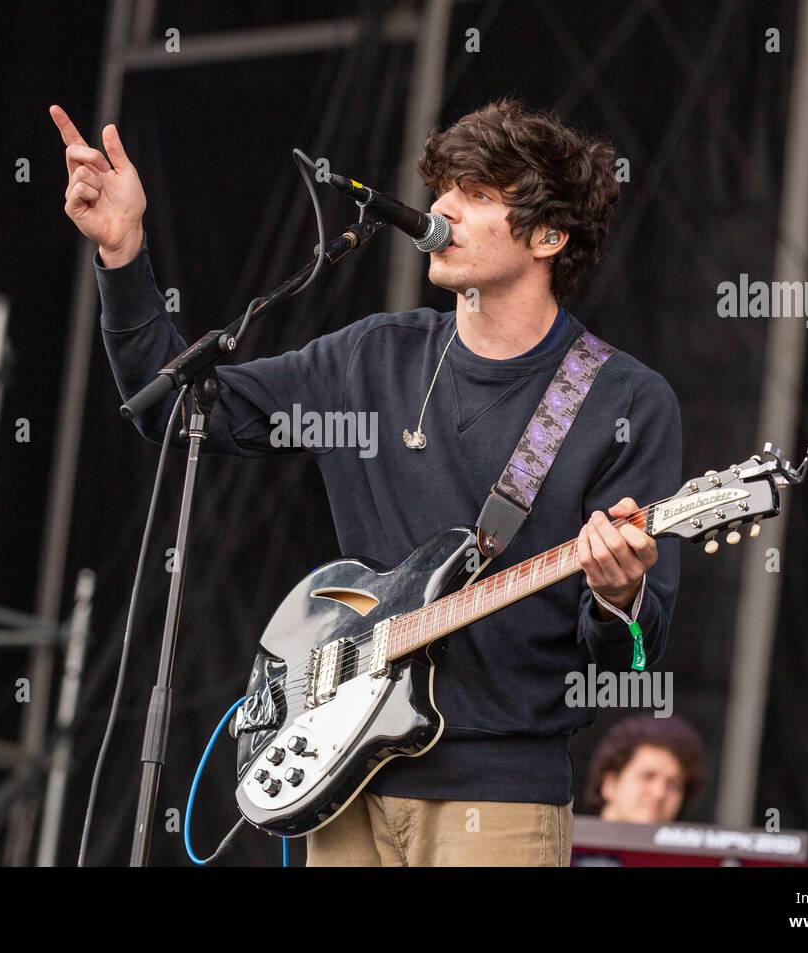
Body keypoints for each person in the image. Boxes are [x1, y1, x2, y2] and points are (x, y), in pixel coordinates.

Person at [53, 97, 683, 866]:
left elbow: (629, 656)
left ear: (550, 236)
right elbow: (181, 408)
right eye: (443, 187)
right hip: (344, 775)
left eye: (478, 193)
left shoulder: (623, 401)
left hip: (497, 797)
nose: (442, 208)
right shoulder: (370, 358)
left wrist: (619, 595)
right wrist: (123, 252)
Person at [584, 714, 706, 824]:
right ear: (610, 784)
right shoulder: (572, 840)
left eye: (674, 785)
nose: (659, 793)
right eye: (647, 777)